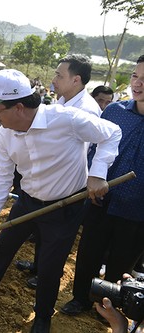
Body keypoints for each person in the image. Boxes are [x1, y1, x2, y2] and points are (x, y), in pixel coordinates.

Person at [0, 69, 121, 333]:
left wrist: (98, 173)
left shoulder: (66, 119)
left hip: (65, 205)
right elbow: (3, 176)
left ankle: (42, 316)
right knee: (3, 247)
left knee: (50, 265)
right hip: (27, 201)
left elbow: (112, 133)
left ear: (19, 107)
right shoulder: (5, 134)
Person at [60, 55, 144, 317]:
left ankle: (106, 307)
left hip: (137, 211)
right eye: (135, 76)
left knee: (122, 262)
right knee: (88, 254)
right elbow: (94, 150)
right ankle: (80, 299)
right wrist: (92, 179)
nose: (137, 84)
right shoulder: (116, 112)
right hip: (102, 199)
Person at [17, 53, 102, 289]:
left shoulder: (87, 109)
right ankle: (37, 267)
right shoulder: (62, 101)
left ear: (76, 80)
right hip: (50, 181)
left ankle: (45, 276)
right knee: (42, 233)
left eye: (59, 74)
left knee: (56, 239)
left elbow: (85, 150)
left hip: (67, 185)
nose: (54, 78)